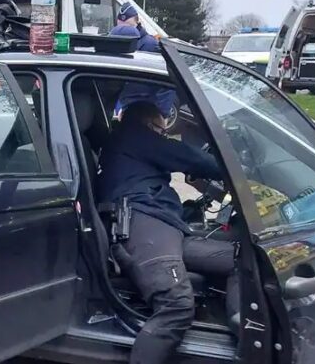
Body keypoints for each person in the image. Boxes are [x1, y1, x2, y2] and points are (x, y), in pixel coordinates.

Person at [97, 100, 239, 364]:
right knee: (176, 305)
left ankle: (242, 328)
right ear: (149, 126)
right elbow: (190, 158)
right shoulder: (133, 136)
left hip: (163, 226)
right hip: (142, 223)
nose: (162, 137)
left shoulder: (127, 143)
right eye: (162, 132)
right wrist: (235, 166)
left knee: (239, 259)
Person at [108, 5, 175, 121]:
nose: (124, 31)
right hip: (124, 106)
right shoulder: (118, 43)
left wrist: (159, 114)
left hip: (144, 111)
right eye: (120, 27)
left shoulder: (150, 45)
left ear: (137, 22)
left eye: (128, 27)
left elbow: (166, 82)